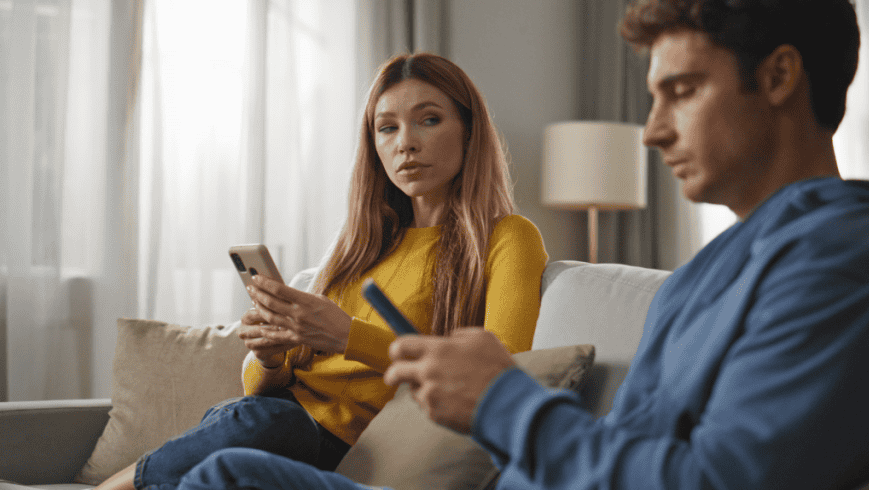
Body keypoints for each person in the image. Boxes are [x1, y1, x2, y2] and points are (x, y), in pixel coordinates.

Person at [169, 0, 869, 489]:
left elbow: (716, 480)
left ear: (781, 75)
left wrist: (503, 400)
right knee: (233, 466)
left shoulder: (849, 255)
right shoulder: (722, 269)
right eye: (652, 100)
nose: (650, 131)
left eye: (680, 92)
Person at [94, 52, 549, 490]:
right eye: (386, 128)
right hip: (270, 423)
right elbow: (260, 386)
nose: (405, 142)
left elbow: (503, 370)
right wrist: (270, 356)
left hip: (340, 444)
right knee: (256, 424)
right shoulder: (363, 246)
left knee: (267, 425)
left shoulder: (507, 237)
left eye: (429, 120)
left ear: (469, 132)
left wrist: (346, 335)